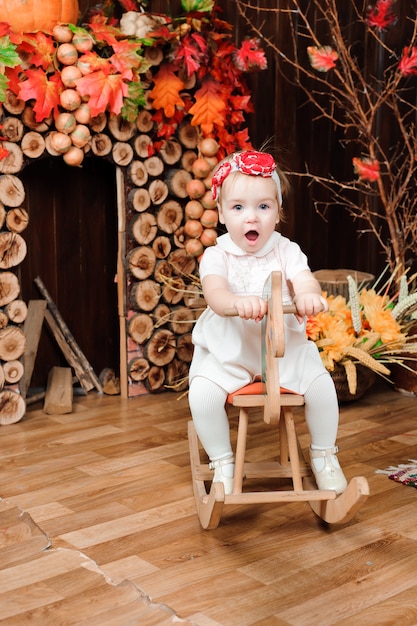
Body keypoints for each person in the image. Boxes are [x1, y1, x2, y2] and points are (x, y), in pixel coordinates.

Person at [188, 149, 347, 496]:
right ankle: (222, 460)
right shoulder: (216, 256)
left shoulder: (287, 250)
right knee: (201, 394)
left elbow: (304, 278)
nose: (252, 218)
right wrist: (235, 302)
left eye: (263, 207)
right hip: (231, 350)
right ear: (221, 213)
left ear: (278, 213)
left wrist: (307, 294)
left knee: (322, 388)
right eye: (239, 207)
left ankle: (323, 455)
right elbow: (215, 294)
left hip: (284, 351)